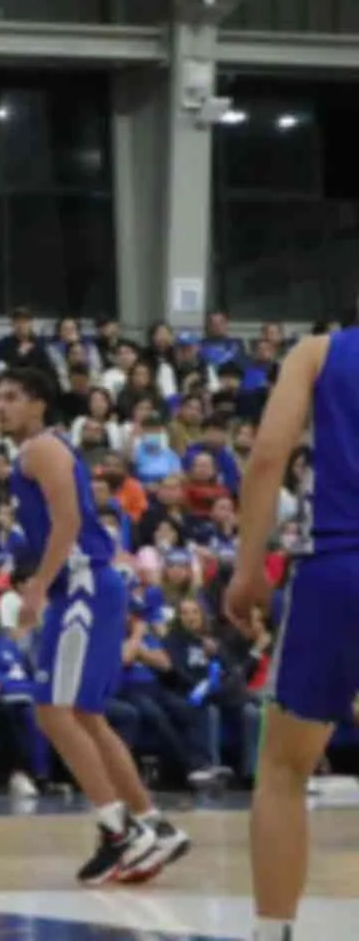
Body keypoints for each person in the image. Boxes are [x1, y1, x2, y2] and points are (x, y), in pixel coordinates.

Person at [0, 366, 189, 886]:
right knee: (85, 715)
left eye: (12, 396)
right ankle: (152, 824)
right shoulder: (44, 449)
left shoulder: (41, 448)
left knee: (53, 711)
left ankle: (117, 830)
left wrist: (37, 586)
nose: (1, 406)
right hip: (90, 585)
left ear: (38, 404)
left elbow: (70, 524)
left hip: (79, 586)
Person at [224, 328, 359, 941]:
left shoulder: (320, 353)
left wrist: (249, 570)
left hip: (336, 566)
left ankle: (273, 931)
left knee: (283, 767)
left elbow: (268, 457)